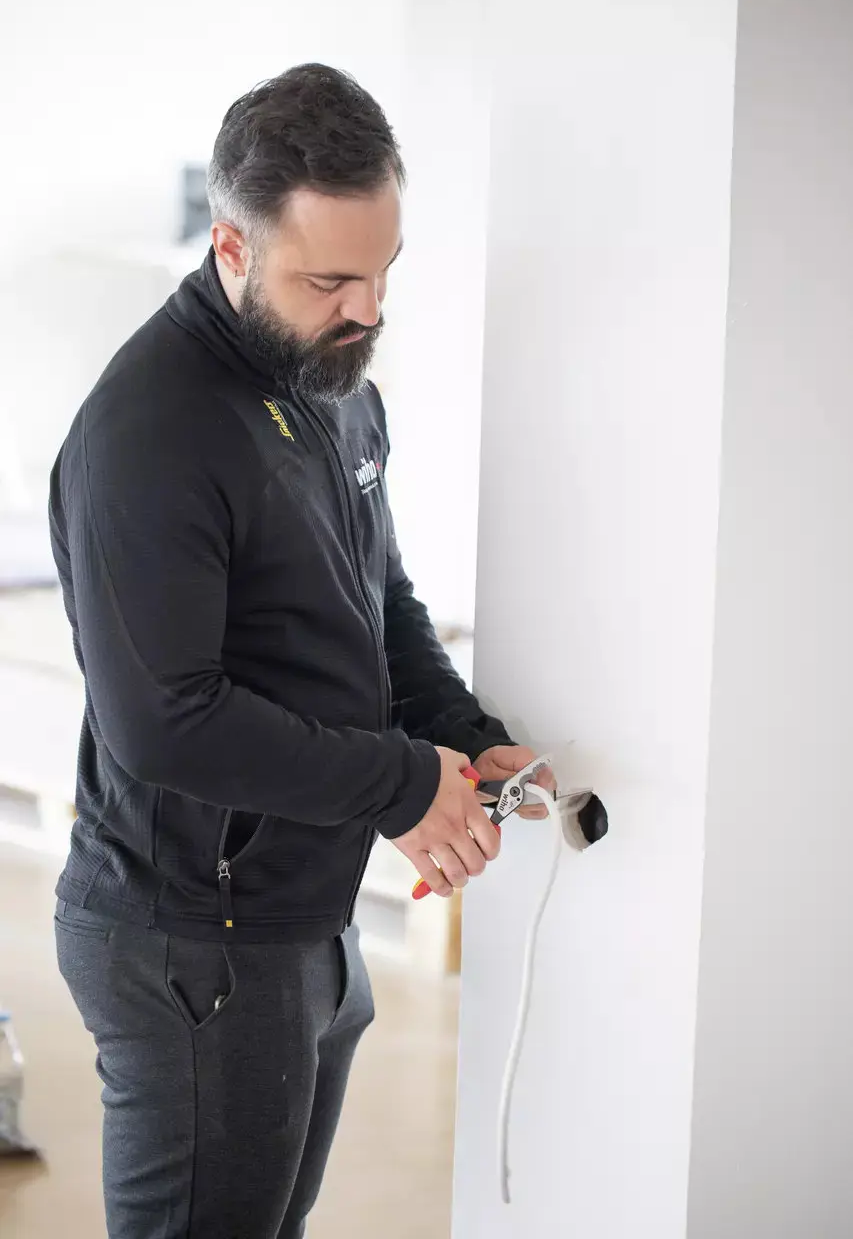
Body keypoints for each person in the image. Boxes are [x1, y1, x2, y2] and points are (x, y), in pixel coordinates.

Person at [49, 63, 548, 1239]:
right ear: (232, 246)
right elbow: (166, 720)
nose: (367, 309)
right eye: (329, 280)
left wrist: (462, 736)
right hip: (189, 941)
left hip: (301, 912)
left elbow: (374, 597)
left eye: (383, 272)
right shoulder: (150, 431)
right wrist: (402, 783)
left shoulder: (333, 381)